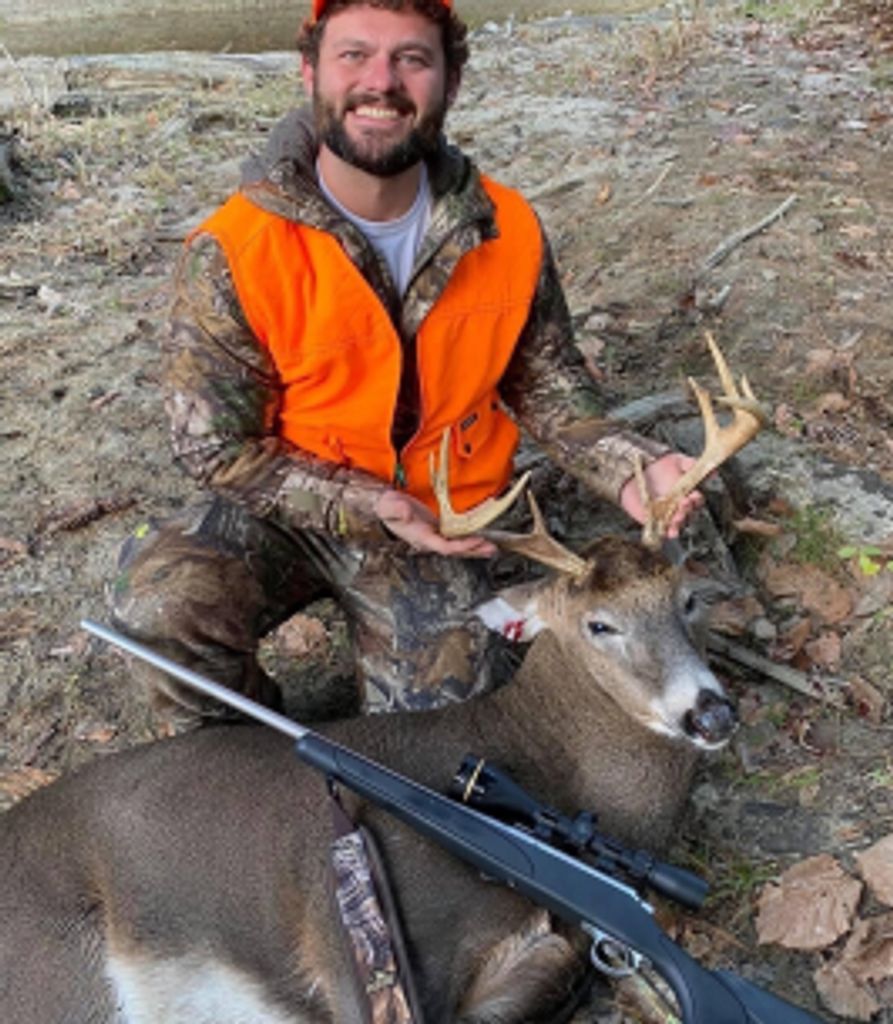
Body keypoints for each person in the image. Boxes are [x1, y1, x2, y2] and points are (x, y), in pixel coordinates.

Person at [111, 0, 701, 722]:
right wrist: (365, 505)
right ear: (310, 73)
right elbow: (215, 447)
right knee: (159, 604)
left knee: (439, 737)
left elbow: (550, 387)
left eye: (412, 59)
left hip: (444, 530)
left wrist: (631, 467)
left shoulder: (506, 228)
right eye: (354, 55)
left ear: (450, 81)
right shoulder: (236, 249)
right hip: (288, 509)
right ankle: (239, 751)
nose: (381, 82)